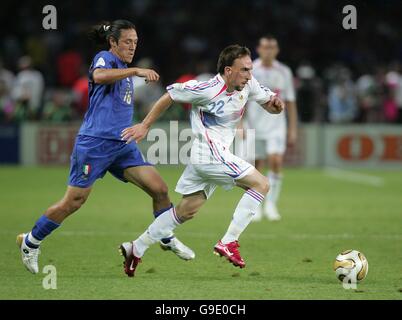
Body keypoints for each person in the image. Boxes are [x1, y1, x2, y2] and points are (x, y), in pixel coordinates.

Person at [17, 20, 194, 276]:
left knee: (160, 189)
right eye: (127, 42)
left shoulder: (123, 67)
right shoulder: (105, 59)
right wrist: (136, 71)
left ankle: (165, 236)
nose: (132, 47)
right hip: (95, 144)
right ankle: (30, 242)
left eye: (135, 42)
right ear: (113, 42)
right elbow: (98, 77)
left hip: (122, 144)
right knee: (74, 201)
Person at [120, 45, 284, 276]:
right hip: (209, 153)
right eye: (244, 70)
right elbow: (170, 96)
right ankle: (229, 241)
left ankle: (135, 247)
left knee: (187, 210)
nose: (249, 74)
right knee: (261, 184)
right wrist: (145, 125)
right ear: (228, 70)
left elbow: (270, 104)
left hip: (208, 156)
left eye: (250, 69)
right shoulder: (205, 88)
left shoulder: (249, 84)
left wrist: (276, 105)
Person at [244, 35, 298, 221]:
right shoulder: (251, 69)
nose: (268, 50)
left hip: (276, 125)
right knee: (256, 166)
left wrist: (292, 129)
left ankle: (271, 205)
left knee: (275, 161)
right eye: (265, 47)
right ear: (258, 49)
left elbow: (290, 101)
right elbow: (240, 98)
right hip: (254, 124)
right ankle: (256, 207)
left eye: (272, 47)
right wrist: (240, 123)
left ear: (277, 50)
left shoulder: (284, 71)